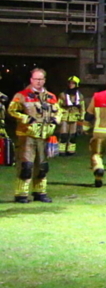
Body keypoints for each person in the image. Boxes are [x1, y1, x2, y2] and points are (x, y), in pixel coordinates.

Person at [7, 68, 62, 203]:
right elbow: (12, 110)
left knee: (42, 166)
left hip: (44, 136)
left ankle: (40, 192)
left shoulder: (51, 96)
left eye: (41, 79)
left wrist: (55, 121)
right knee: (26, 165)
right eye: (36, 79)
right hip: (27, 135)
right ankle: (21, 194)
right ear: (31, 80)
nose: (39, 82)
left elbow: (59, 111)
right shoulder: (21, 95)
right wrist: (26, 119)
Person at [57, 75, 86, 155]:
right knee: (63, 134)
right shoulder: (62, 94)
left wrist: (82, 117)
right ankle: (61, 150)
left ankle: (71, 150)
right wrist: (58, 116)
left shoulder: (80, 96)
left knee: (73, 135)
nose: (71, 85)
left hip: (75, 117)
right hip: (64, 116)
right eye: (70, 83)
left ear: (76, 85)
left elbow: (82, 107)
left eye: (73, 83)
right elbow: (57, 106)